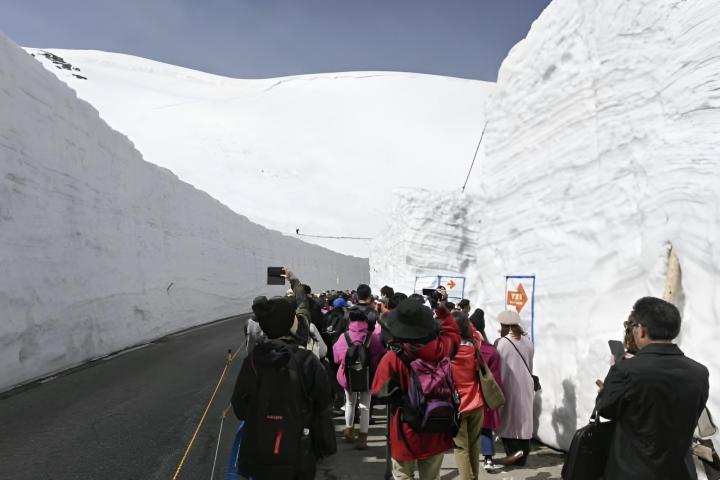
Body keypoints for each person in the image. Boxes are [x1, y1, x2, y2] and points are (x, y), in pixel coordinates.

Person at [595, 297, 709, 480]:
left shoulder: (625, 370)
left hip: (632, 472)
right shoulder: (700, 372)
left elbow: (606, 410)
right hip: (680, 471)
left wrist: (604, 394)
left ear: (641, 331)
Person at [231, 295, 333, 480]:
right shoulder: (307, 360)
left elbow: (239, 406)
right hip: (298, 450)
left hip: (260, 450)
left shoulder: (253, 360)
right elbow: (324, 404)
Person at [372, 297, 461, 480]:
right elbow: (453, 331)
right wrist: (442, 310)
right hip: (437, 426)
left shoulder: (394, 357)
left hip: (406, 431)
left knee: (403, 475)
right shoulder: (444, 348)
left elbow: (378, 391)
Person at [332, 309, 385, 449]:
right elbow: (379, 357)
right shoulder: (373, 337)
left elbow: (337, 358)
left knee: (350, 403)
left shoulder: (344, 337)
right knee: (365, 407)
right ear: (365, 322)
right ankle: (363, 438)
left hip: (348, 377)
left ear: (350, 322)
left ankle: (349, 431)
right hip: (368, 377)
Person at [494, 310, 534, 466]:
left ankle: (513, 454)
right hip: (527, 384)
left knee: (508, 419)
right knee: (524, 419)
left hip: (508, 385)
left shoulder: (501, 342)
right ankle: (522, 455)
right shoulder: (528, 341)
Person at [450, 311, 485, 480]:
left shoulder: (447, 351)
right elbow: (476, 332)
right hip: (477, 402)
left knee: (460, 448)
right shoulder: (475, 345)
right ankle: (474, 477)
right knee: (474, 446)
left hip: (457, 405)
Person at [469, 308, 503, 472]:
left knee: (468, 429)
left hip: (469, 394)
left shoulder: (467, 349)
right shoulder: (492, 351)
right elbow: (496, 378)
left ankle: (470, 459)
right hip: (486, 395)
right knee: (485, 427)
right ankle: (488, 458)